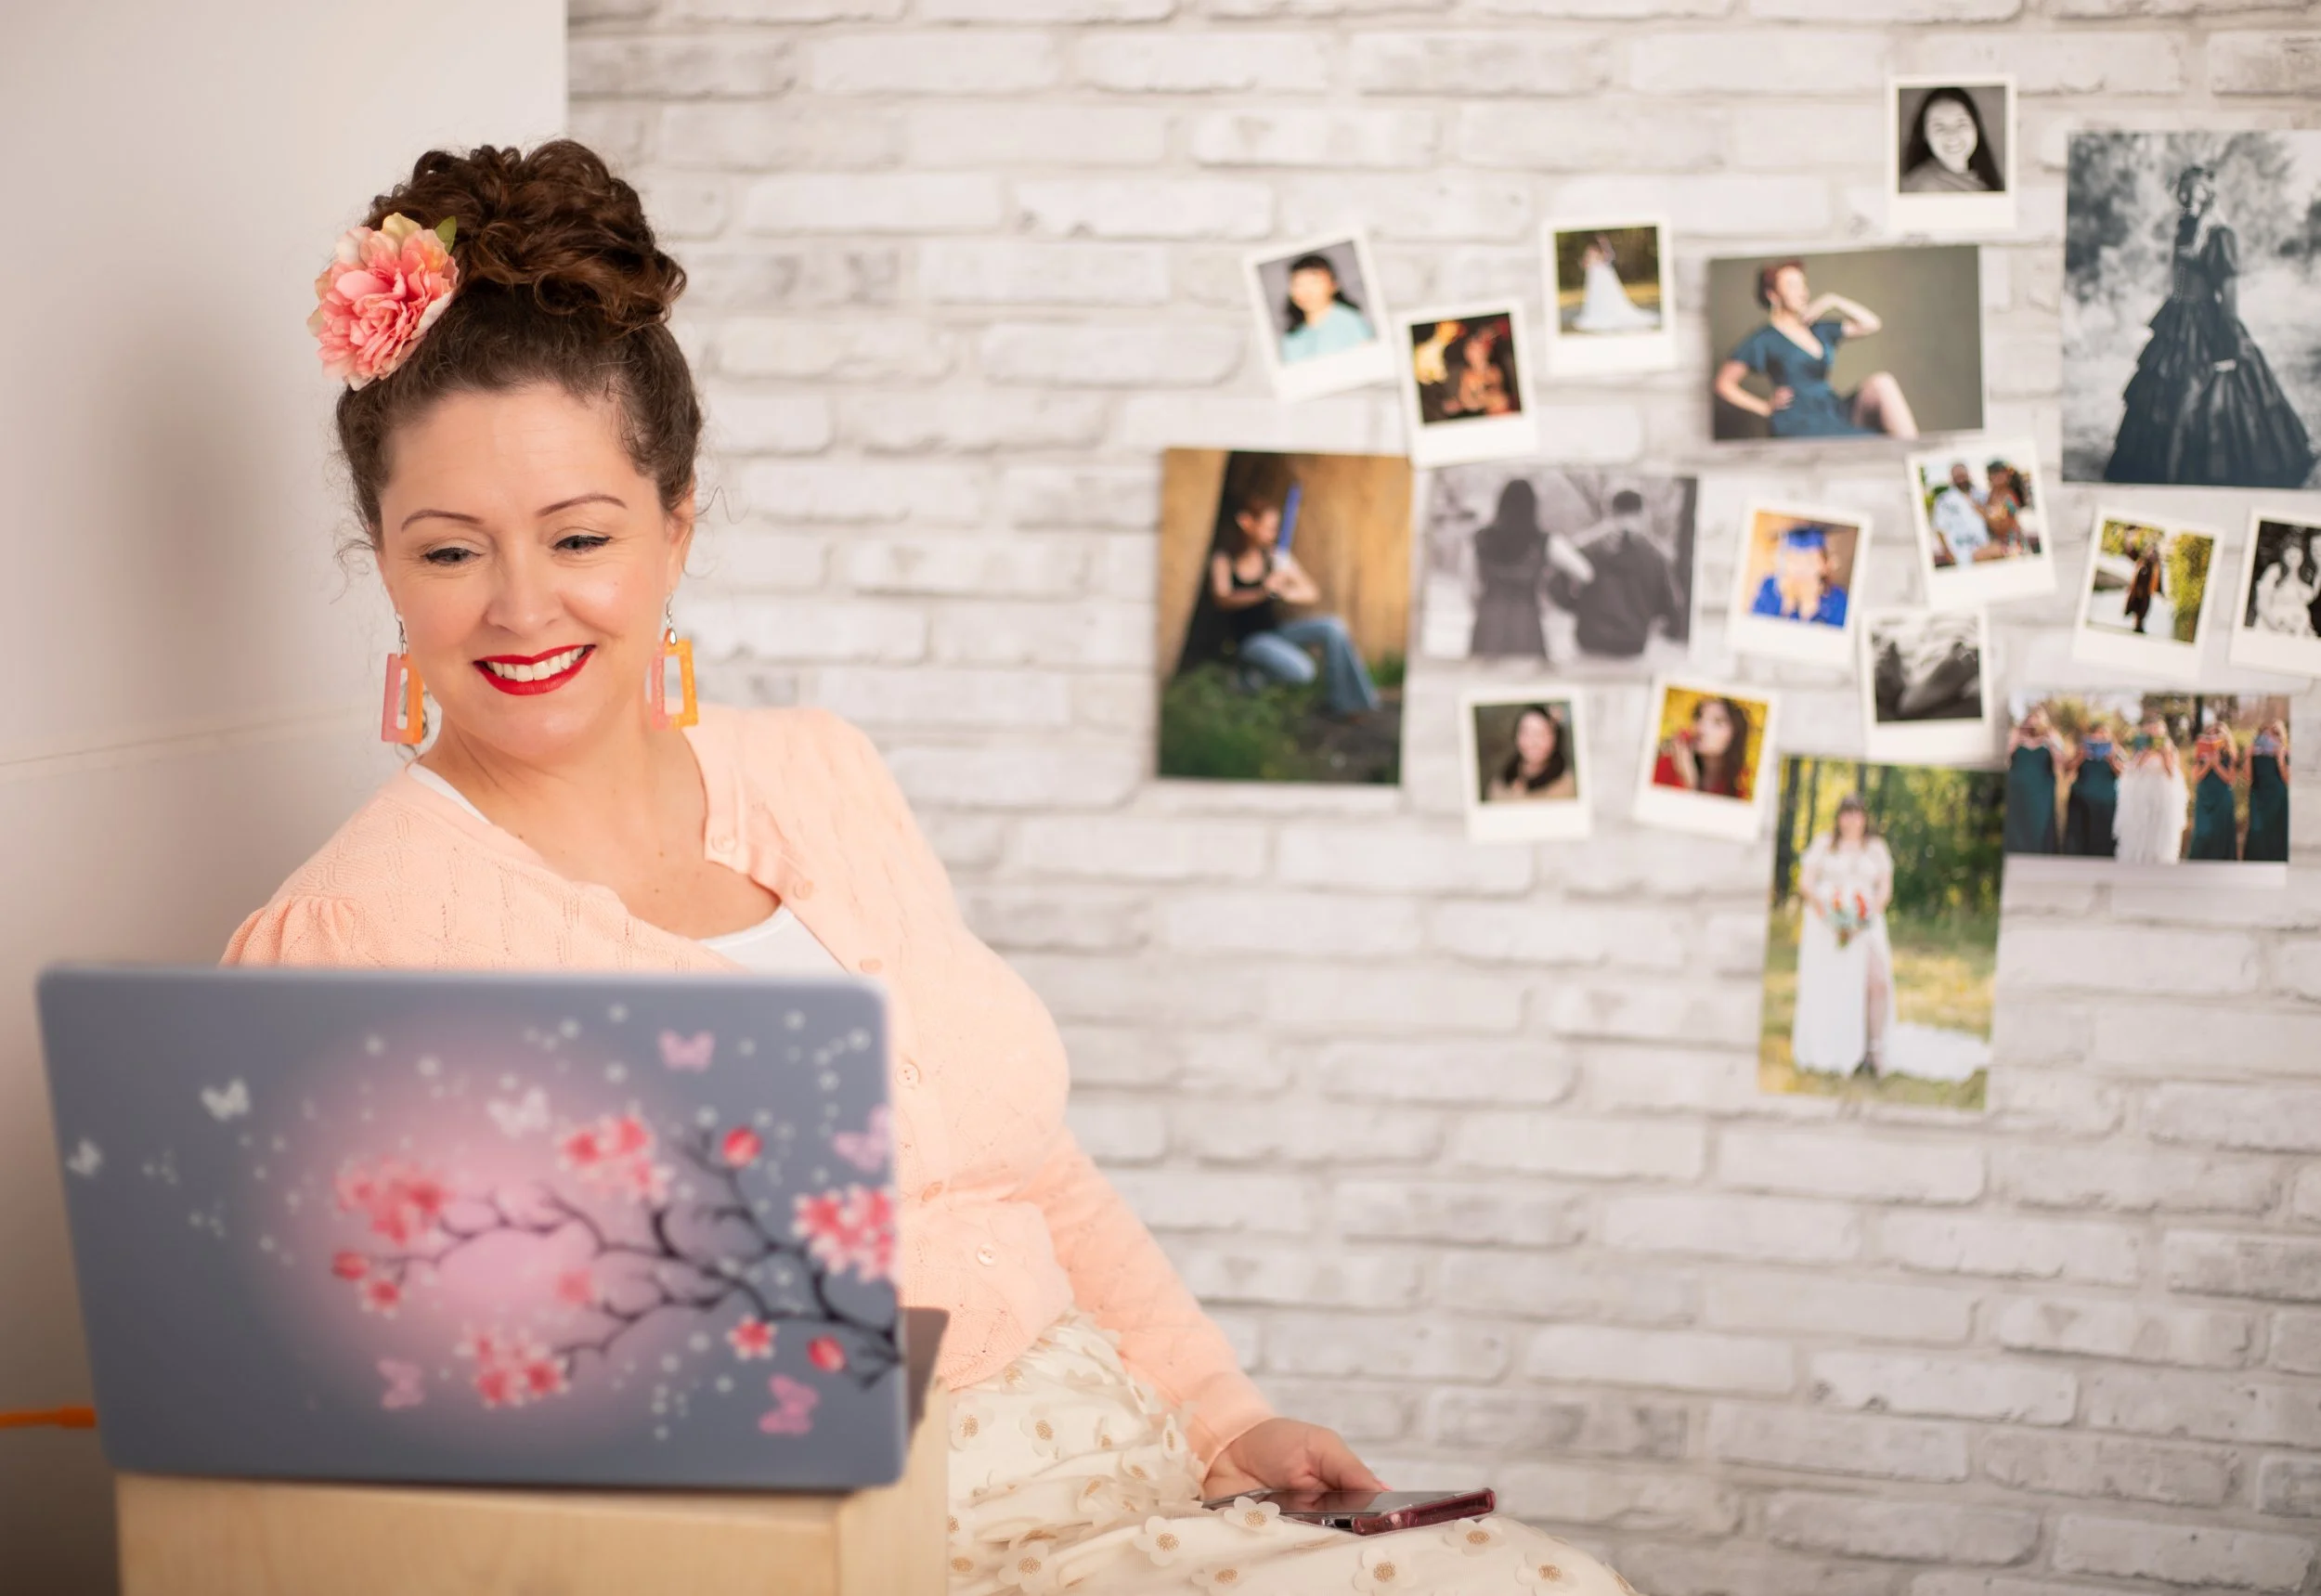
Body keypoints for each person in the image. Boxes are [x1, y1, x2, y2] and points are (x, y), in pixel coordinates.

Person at [226, 139, 1637, 1596]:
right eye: (450, 550)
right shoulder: (352, 934)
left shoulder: (821, 773)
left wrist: (1232, 1419)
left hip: (1142, 1470)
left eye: (580, 535)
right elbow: (380, 1450)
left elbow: (1031, 1170)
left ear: (677, 525)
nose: (523, 606)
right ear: (382, 559)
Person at [2104, 164, 2316, 489]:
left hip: (2209, 324)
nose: (2188, 198)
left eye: (2196, 191)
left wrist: (2227, 346)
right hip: (2176, 321)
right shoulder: (2184, 228)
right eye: (2184, 192)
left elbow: (2228, 296)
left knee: (2210, 395)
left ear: (2208, 195)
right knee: (2163, 392)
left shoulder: (2221, 235)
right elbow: (2178, 283)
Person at [1210, 484, 1379, 718]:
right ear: (1246, 522)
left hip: (1276, 632)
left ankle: (1348, 703)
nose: (1273, 533)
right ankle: (1247, 680)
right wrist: (1262, 591)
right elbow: (1223, 599)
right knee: (1304, 671)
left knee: (1333, 627)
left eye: (1275, 527)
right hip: (1249, 641)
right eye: (1268, 527)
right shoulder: (1224, 559)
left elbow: (1311, 592)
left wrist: (1285, 592)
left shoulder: (1275, 558)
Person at [1714, 259, 1918, 439]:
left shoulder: (1818, 329)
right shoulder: (1764, 339)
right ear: (1773, 295)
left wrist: (1832, 301)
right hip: (1799, 420)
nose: (1802, 292)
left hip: (1832, 409)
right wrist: (1765, 408)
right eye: (1793, 285)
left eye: (1803, 284)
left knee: (1882, 382)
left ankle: (1919, 465)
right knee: (1874, 444)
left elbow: (1872, 323)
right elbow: (1723, 384)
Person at [1790, 796, 1896, 1077]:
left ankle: (1875, 1050)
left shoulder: (1876, 848)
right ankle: (1841, 1048)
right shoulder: (1824, 844)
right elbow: (1806, 883)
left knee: (1878, 982)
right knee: (1837, 988)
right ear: (1839, 818)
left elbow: (1884, 890)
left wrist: (1866, 916)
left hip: (1867, 924)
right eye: (1846, 814)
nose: (1852, 820)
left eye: (1857, 814)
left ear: (1864, 818)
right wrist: (1829, 913)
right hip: (1828, 925)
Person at [1543, 488, 1686, 660]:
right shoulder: (1654, 556)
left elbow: (1553, 582)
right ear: (1641, 513)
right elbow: (1672, 605)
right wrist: (1647, 615)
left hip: (1591, 645)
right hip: (1632, 647)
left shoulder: (1589, 548)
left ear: (1610, 511)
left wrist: (1577, 607)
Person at [1468, 479, 1549, 657]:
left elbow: (1471, 589)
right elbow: (1584, 572)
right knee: (1526, 683)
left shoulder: (1481, 538)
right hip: (1526, 624)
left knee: (1482, 682)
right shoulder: (1543, 541)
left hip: (1488, 622)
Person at [1898, 85, 2003, 194]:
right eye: (1939, 127)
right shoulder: (1922, 188)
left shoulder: (1984, 177)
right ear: (1924, 135)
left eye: (1961, 124)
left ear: (1976, 127)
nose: (1952, 135)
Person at [1277, 253, 1374, 366]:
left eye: (1314, 282)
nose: (1306, 291)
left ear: (1334, 285)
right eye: (1298, 284)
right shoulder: (1291, 338)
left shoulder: (1350, 321)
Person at [2115, 716, 2189, 864]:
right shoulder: (2140, 748)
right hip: (2143, 793)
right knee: (2143, 827)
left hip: (2163, 793)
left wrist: (2165, 754)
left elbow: (2171, 773)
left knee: (2161, 828)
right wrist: (2146, 753)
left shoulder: (2170, 749)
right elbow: (2133, 771)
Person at [1652, 694, 1753, 798]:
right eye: (1699, 717)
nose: (1701, 728)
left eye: (1717, 722)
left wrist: (1691, 785)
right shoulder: (1668, 765)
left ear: (1736, 734)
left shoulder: (1741, 786)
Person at [1750, 524, 1848, 627]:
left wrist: (1810, 609)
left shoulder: (1838, 599)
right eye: (1794, 559)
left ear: (1824, 565)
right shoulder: (1769, 587)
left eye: (1809, 560)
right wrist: (1786, 607)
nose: (1801, 568)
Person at [1483, 704, 1576, 801]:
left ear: (1555, 738)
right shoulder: (1500, 784)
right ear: (1516, 737)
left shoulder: (1568, 786)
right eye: (1526, 733)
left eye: (1540, 734)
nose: (1533, 742)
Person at [1570, 232, 1658, 333]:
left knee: (1607, 295)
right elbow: (1586, 263)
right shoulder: (1591, 251)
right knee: (1597, 296)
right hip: (1595, 277)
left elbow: (1607, 259)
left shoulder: (1601, 253)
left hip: (1601, 276)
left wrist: (1604, 244)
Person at [2003, 707, 2064, 853]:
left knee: (2039, 824)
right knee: (2017, 827)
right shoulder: (2016, 735)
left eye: (2036, 722)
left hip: (2042, 793)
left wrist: (2051, 742)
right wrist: (2015, 740)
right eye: (2029, 722)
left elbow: (2060, 764)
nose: (2032, 726)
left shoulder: (2051, 736)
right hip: (2017, 792)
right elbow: (2005, 761)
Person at [2062, 721, 2123, 857]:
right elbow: (2067, 768)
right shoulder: (2082, 749)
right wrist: (2080, 756)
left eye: (2103, 735)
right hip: (2081, 802)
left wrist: (2112, 760)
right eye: (2097, 735)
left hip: (2106, 803)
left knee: (2102, 838)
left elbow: (2124, 774)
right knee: (2079, 837)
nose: (2099, 738)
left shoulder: (2116, 751)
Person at [2186, 723, 2241, 861]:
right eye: (2209, 734)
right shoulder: (2201, 755)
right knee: (2202, 834)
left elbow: (2230, 780)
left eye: (2216, 734)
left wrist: (2216, 765)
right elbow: (2195, 778)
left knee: (2220, 835)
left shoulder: (2230, 755)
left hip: (2222, 799)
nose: (2212, 737)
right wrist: (2207, 765)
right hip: (2204, 798)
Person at [2251, 532, 2321, 637]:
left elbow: (2313, 604)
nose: (2293, 555)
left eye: (2297, 551)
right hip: (2273, 629)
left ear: (2303, 555)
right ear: (2283, 554)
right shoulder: (2274, 571)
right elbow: (2262, 604)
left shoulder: (2308, 576)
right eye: (2288, 551)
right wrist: (2277, 627)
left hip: (2300, 633)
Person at [1926, 461, 1990, 565]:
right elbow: (1939, 529)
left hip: (1985, 545)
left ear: (1968, 475)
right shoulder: (1944, 500)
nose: (1961, 479)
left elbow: (1993, 519)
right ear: (1952, 479)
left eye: (1963, 475)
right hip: (1961, 551)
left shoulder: (1982, 495)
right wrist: (1947, 552)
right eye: (1957, 476)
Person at [2247, 720, 2290, 862]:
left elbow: (2288, 779)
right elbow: (2248, 777)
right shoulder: (2255, 753)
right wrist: (2248, 756)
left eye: (2276, 733)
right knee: (2257, 832)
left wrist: (2280, 759)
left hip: (2278, 799)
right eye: (2268, 732)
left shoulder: (2286, 753)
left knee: (2277, 834)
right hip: (2258, 797)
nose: (2271, 736)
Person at [2123, 533, 2166, 635]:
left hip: (2147, 593)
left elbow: (2159, 581)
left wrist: (2161, 592)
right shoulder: (2141, 560)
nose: (2152, 554)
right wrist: (2129, 542)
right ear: (2148, 551)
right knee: (2136, 609)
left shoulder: (2156, 566)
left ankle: (2140, 627)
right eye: (2151, 551)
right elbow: (2131, 553)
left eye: (2154, 553)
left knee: (2143, 611)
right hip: (2137, 590)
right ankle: (2137, 626)